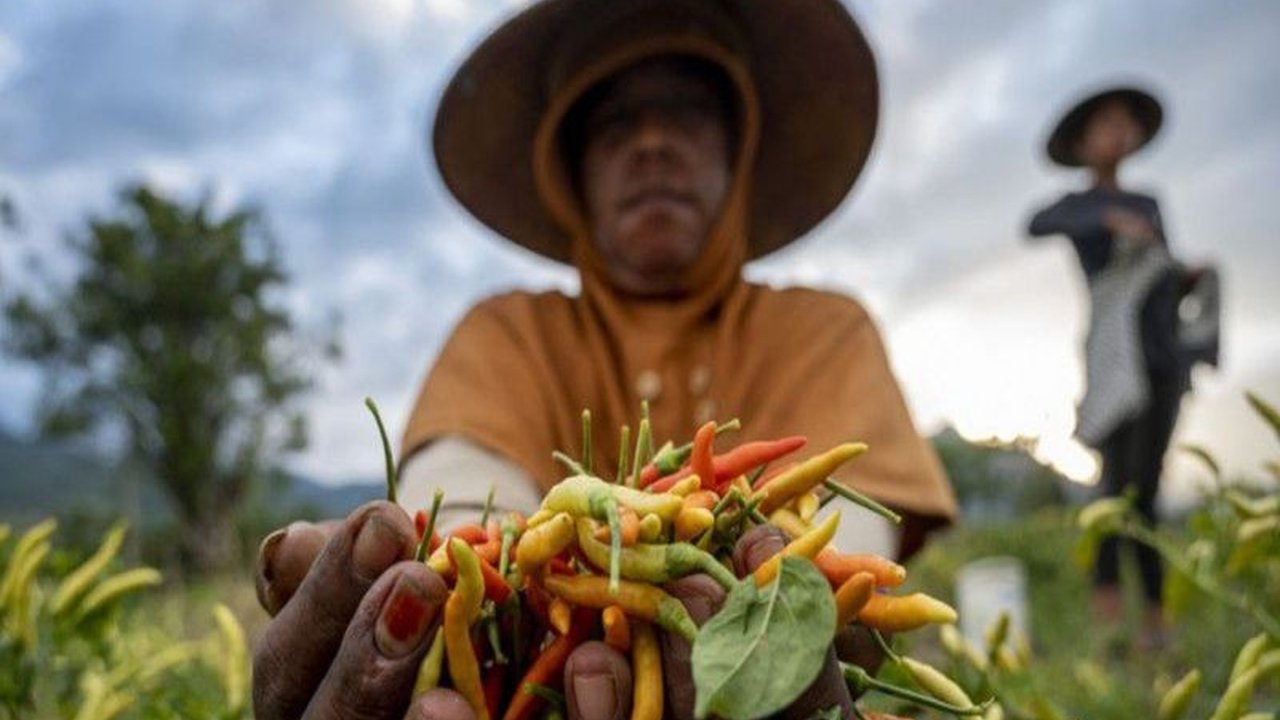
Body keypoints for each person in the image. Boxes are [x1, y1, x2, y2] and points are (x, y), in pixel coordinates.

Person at [252, 1, 957, 718]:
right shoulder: (507, 335)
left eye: (686, 111)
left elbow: (846, 565)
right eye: (614, 121)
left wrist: (772, 614)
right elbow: (469, 517)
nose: (651, 141)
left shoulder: (822, 330)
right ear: (572, 168)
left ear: (736, 150)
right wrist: (460, 586)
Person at [1027, 86, 1204, 648]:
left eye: (1126, 122)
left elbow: (1163, 280)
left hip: (1161, 363)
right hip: (1113, 366)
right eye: (1107, 122)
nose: (1119, 131)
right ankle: (1109, 622)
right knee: (1113, 489)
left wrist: (1184, 276)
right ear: (1083, 142)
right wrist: (1108, 218)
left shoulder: (1149, 202)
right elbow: (1036, 223)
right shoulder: (1078, 209)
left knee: (1144, 491)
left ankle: (1154, 622)